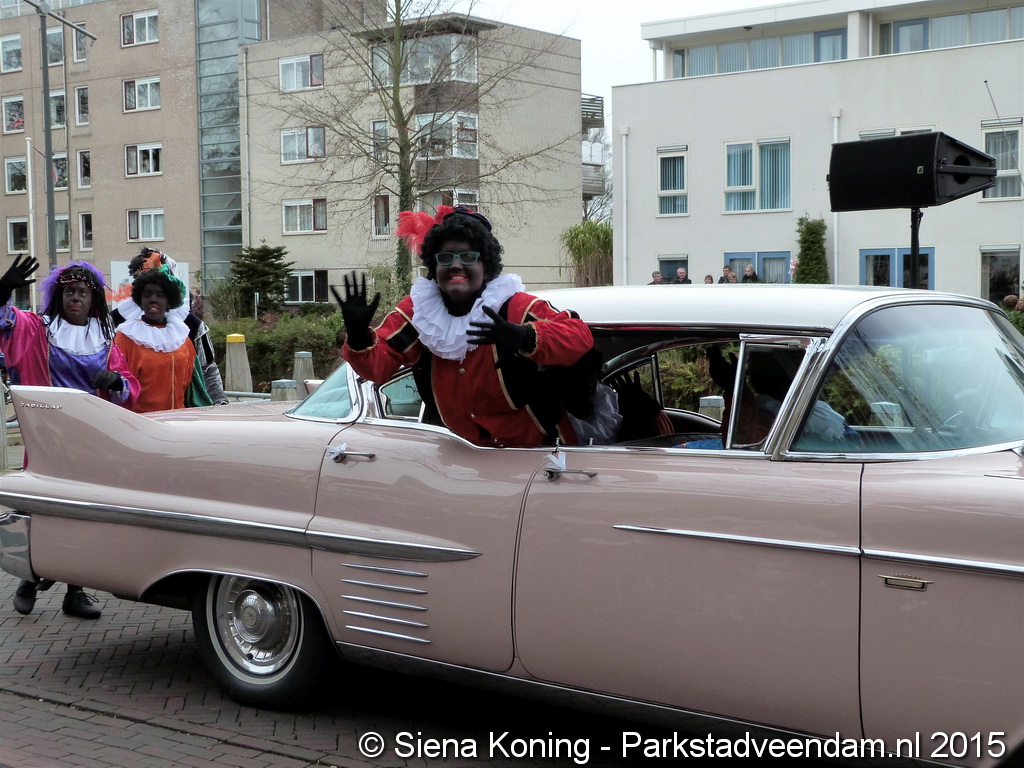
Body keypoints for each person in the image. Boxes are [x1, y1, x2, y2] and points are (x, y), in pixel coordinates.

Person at [337, 205, 594, 447]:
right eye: (446, 257)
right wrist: (359, 337)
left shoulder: (516, 307)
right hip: (461, 455)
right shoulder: (419, 313)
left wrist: (524, 336)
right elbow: (380, 368)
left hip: (537, 452)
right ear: (434, 265)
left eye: (469, 257)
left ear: (486, 266)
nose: (456, 265)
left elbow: (579, 337)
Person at [0, 256, 141, 620]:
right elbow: (5, 322)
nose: (75, 297)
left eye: (82, 292)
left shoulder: (106, 340)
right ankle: (28, 579)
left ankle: (74, 592)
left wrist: (117, 382)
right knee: (40, 510)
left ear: (93, 300)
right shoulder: (39, 330)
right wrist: (3, 290)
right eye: (69, 292)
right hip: (48, 438)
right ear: (59, 296)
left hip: (89, 441)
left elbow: (129, 384)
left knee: (81, 516)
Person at [111, 248, 227, 405]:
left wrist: (219, 403)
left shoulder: (189, 327)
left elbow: (206, 370)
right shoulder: (117, 323)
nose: (152, 297)